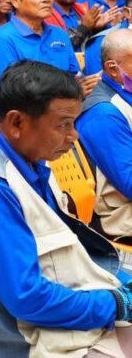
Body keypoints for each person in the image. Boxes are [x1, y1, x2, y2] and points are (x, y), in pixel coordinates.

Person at [0, 61, 132, 357]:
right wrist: (114, 304)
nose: (74, 136)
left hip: (68, 300)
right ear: (17, 122)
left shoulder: (26, 156)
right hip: (33, 338)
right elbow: (27, 297)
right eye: (63, 124)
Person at [0, 0, 86, 95]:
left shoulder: (59, 34)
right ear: (15, 1)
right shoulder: (2, 40)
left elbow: (77, 77)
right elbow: (5, 96)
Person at [76, 30, 132, 242]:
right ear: (113, 68)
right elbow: (129, 183)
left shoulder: (123, 93)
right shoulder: (104, 113)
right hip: (120, 215)